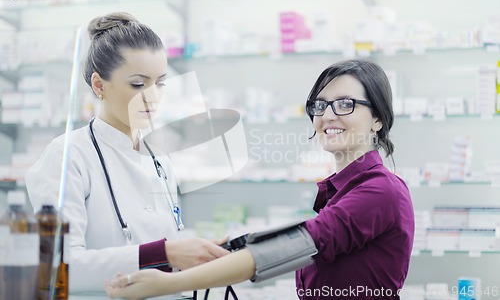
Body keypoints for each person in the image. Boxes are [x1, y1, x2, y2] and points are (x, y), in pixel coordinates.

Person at [105, 59, 415, 300]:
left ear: (377, 118)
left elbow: (302, 242)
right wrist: (226, 251)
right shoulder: (341, 190)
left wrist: (171, 282)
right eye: (319, 105)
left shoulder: (381, 190)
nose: (328, 115)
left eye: (345, 104)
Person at [25, 12, 229, 296]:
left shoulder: (160, 160)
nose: (153, 97)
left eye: (159, 83)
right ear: (99, 85)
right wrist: (166, 253)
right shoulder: (67, 156)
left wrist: (199, 258)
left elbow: (164, 262)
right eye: (137, 84)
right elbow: (59, 267)